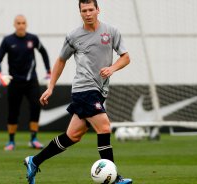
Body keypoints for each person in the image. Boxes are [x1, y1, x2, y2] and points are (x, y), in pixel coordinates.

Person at [24, 0, 132, 183]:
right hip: (84, 89)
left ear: (98, 10)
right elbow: (60, 60)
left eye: (91, 9)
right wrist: (50, 87)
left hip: (100, 90)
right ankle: (113, 179)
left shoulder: (111, 31)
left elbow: (126, 58)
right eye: (84, 11)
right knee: (104, 127)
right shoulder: (73, 36)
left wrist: (112, 68)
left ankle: (34, 161)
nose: (88, 13)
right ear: (80, 13)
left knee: (73, 136)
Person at [0, 14, 51, 151]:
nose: (21, 25)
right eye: (18, 23)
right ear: (14, 25)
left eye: (23, 23)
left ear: (26, 24)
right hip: (14, 82)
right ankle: (11, 141)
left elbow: (44, 52)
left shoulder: (33, 39)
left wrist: (49, 72)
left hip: (31, 80)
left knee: (35, 107)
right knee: (13, 111)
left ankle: (33, 139)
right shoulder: (8, 40)